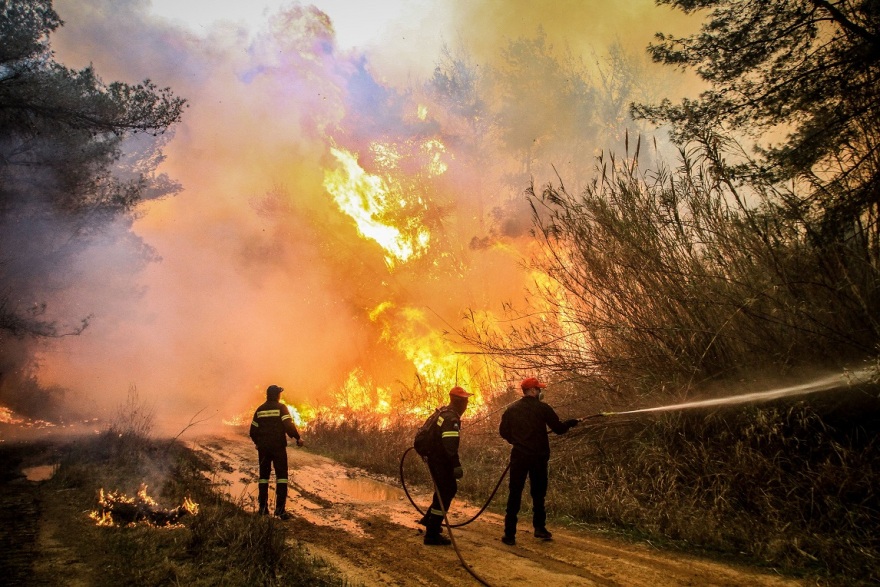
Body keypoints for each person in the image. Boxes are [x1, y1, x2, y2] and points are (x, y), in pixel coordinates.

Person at [499, 377, 578, 545]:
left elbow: (503, 432)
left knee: (515, 493)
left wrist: (516, 441)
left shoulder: (511, 409)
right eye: (539, 389)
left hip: (519, 457)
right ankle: (540, 528)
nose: (541, 392)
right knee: (538, 493)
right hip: (538, 457)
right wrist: (571, 423)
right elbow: (559, 429)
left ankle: (509, 534)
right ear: (533, 391)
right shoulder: (543, 408)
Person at [418, 385, 473, 545]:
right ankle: (432, 534)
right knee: (447, 491)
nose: (467, 404)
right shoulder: (451, 419)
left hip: (434, 457)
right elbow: (450, 447)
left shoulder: (443, 412)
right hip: (441, 461)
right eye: (465, 401)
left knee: (442, 491)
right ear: (459, 402)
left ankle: (429, 520)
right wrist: (456, 465)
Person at [249, 384, 303, 520]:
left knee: (263, 477)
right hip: (278, 447)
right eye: (279, 393)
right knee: (282, 477)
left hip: (264, 449)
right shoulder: (281, 408)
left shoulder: (260, 410)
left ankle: (263, 509)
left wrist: (258, 443)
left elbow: (252, 431)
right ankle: (280, 510)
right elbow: (288, 425)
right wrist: (298, 438)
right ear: (277, 395)